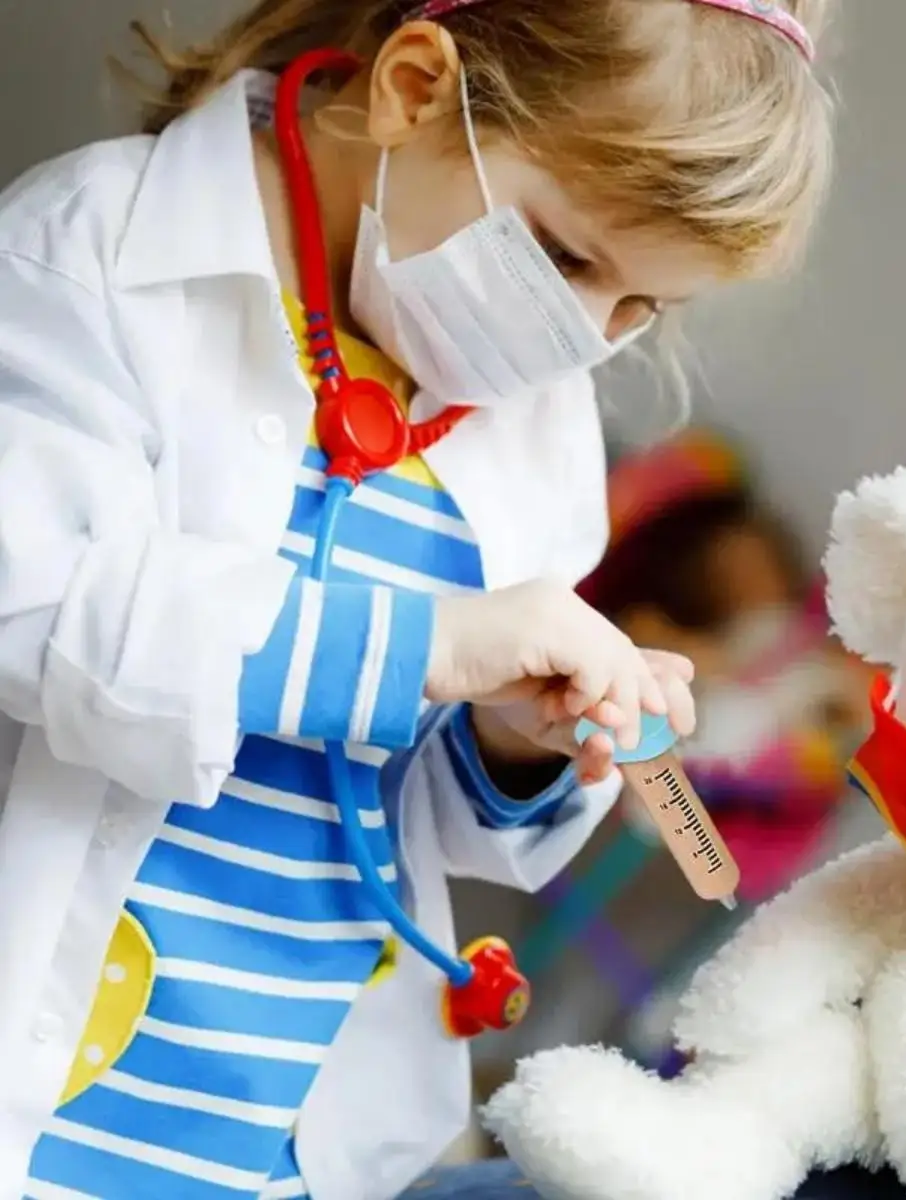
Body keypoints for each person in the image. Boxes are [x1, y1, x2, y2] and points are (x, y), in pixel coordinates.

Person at [0, 1, 852, 1198]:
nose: (583, 340)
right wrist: (427, 643)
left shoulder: (535, 427)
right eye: (565, 257)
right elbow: (34, 600)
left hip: (284, 1140)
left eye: (642, 310)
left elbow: (426, 817)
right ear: (411, 87)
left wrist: (514, 738)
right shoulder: (92, 247)